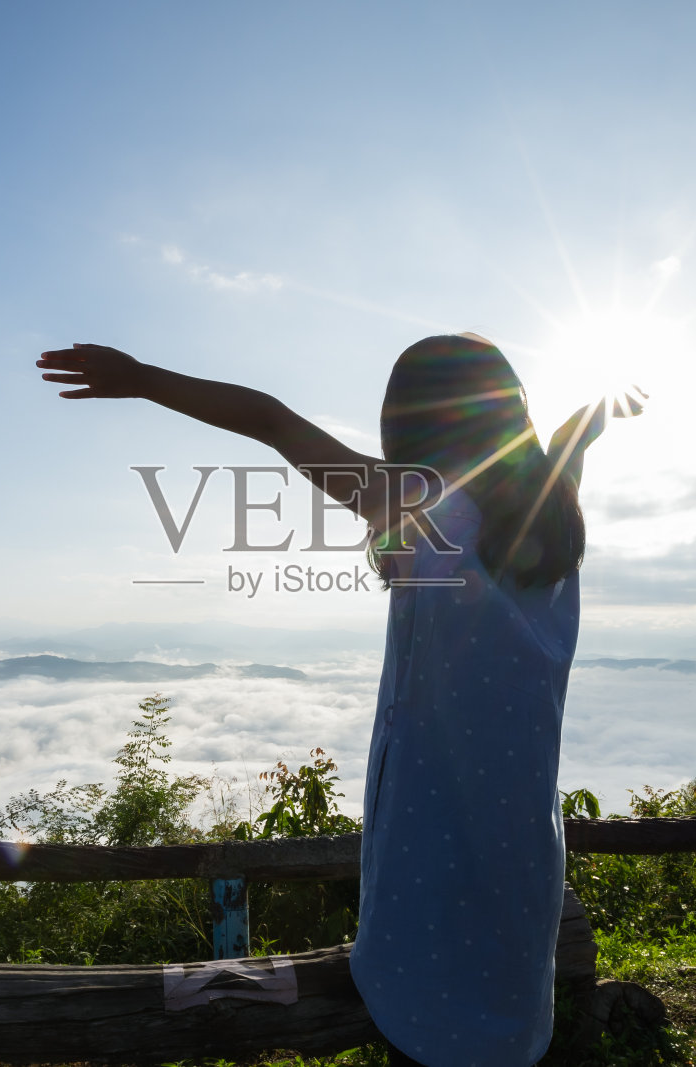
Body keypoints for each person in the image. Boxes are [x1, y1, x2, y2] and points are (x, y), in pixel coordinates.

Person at [38, 334, 614, 1067]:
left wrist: (143, 378)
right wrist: (582, 426)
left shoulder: (420, 506)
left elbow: (272, 420)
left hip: (433, 851)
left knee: (433, 1025)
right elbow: (565, 456)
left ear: (408, 422)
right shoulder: (555, 519)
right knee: (503, 1028)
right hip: (522, 847)